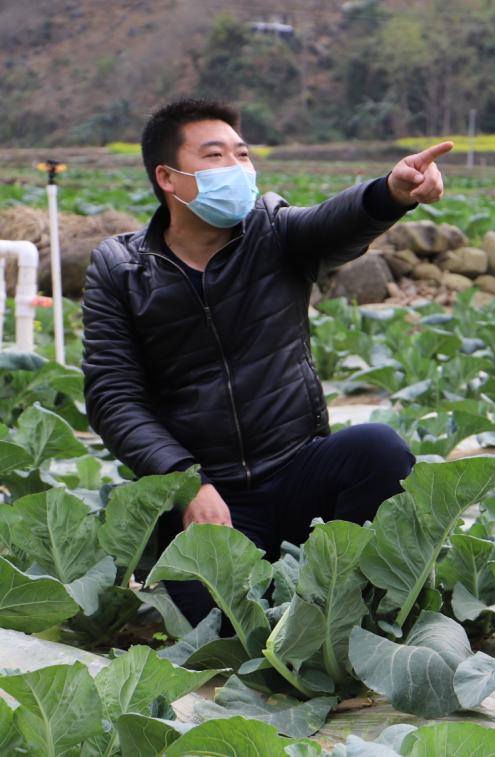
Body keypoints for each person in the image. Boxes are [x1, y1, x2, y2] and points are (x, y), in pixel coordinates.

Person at [82, 98, 452, 624]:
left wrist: (389, 193)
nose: (237, 169)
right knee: (224, 628)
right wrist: (188, 481)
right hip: (210, 497)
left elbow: (332, 224)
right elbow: (113, 397)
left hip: (298, 467)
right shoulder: (121, 269)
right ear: (168, 176)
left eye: (243, 154)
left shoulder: (272, 232)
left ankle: (344, 596)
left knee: (378, 448)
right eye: (215, 156)